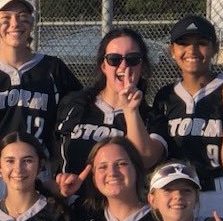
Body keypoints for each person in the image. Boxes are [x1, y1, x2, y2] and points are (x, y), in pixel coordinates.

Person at [0, 0, 83, 205]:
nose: (15, 23)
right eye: (5, 17)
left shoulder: (53, 69)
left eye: (23, 17)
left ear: (32, 23)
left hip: (36, 171)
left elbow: (70, 124)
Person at [152, 15, 223, 221]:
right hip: (179, 196)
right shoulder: (165, 97)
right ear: (172, 50)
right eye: (183, 43)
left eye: (201, 43)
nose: (192, 50)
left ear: (215, 48)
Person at [54, 28, 167, 188]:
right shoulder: (74, 104)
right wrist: (59, 186)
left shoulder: (151, 117)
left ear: (142, 66)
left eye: (133, 59)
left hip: (122, 203)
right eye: (114, 59)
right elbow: (52, 151)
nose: (124, 65)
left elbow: (145, 160)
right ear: (103, 66)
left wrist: (130, 111)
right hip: (74, 199)